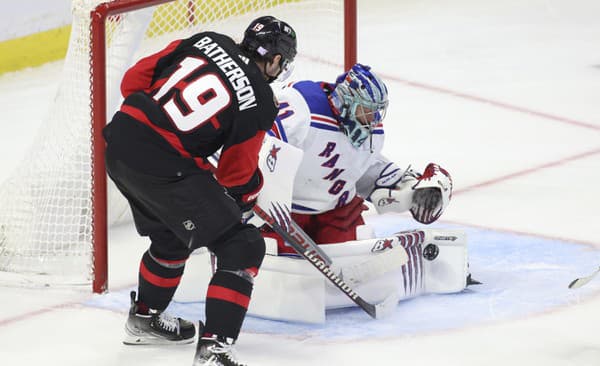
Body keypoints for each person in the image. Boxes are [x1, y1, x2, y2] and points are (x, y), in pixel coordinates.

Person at [103, 15, 297, 366]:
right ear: (276, 60)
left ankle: (145, 319)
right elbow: (236, 176)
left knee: (173, 236)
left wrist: (183, 135)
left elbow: (132, 83)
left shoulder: (206, 39)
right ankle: (215, 349)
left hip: (120, 141)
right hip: (163, 164)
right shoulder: (262, 100)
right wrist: (251, 192)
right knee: (243, 244)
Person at [263, 63, 453, 255]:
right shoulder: (303, 104)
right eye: (367, 110)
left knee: (355, 256)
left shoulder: (372, 131)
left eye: (376, 111)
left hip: (337, 214)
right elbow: (263, 146)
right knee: (267, 252)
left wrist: (407, 189)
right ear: (346, 100)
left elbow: (359, 169)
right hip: (283, 212)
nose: (373, 118)